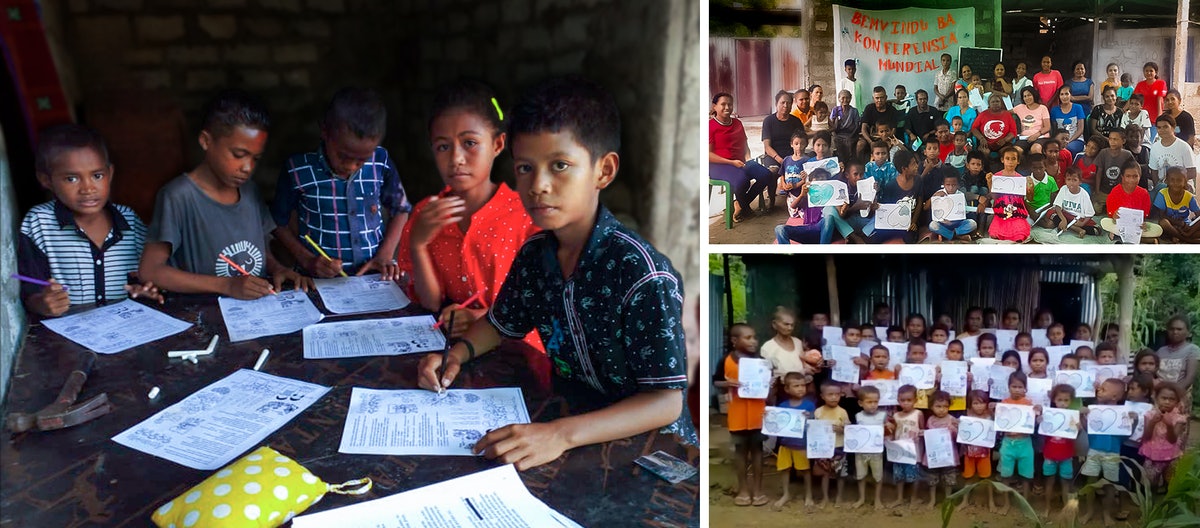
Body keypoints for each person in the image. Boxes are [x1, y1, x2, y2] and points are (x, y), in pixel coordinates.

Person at [416, 77, 693, 470]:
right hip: (568, 425)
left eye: (559, 166)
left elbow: (666, 401)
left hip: (650, 453)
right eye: (526, 168)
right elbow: (499, 323)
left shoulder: (642, 274)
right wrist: (455, 355)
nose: (538, 186)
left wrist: (560, 434)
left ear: (603, 170)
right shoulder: (535, 256)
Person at [395, 80, 540, 348]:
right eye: (443, 147)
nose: (456, 159)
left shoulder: (526, 217)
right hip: (451, 349)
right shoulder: (427, 214)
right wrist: (418, 243)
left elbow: (539, 302)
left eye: (469, 143)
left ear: (497, 144)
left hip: (516, 352)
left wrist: (479, 317)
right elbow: (431, 302)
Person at [139, 90, 310, 299]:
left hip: (256, 311)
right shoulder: (178, 197)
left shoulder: (249, 190)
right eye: (238, 155)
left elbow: (254, 245)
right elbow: (151, 270)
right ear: (206, 141)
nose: (247, 167)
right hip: (205, 315)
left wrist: (277, 268)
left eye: (255, 158)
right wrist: (228, 285)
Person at [18, 124, 161, 317]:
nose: (88, 188)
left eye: (97, 176)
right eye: (71, 179)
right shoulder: (39, 223)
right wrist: (42, 303)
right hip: (67, 338)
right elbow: (30, 290)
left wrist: (144, 291)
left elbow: (144, 276)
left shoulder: (129, 220)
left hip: (126, 328)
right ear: (46, 180)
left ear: (109, 174)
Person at [273, 87, 411, 280]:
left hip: (373, 277)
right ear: (325, 132)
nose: (351, 166)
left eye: (361, 160)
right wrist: (307, 260)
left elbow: (401, 210)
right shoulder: (298, 170)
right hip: (319, 280)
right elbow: (276, 223)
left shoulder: (380, 160)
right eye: (343, 156)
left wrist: (384, 255)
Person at [716, 324, 767, 506]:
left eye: (754, 337)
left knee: (758, 451)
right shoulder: (726, 360)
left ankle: (758, 489)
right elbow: (716, 381)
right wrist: (728, 383)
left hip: (757, 413)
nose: (753, 341)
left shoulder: (761, 361)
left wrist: (771, 382)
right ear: (734, 341)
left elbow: (768, 387)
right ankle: (743, 489)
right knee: (740, 451)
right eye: (748, 337)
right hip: (737, 414)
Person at [709, 92, 771, 222]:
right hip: (718, 166)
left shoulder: (737, 123)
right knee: (742, 181)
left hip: (740, 162)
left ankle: (740, 204)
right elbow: (707, 155)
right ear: (714, 106)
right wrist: (731, 162)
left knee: (766, 175)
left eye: (730, 104)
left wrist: (748, 158)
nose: (727, 107)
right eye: (723, 104)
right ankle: (746, 209)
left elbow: (744, 144)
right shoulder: (710, 126)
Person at [1079, 379, 1130, 525]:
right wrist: (1083, 416)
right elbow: (1087, 429)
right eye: (1099, 388)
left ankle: (1107, 514)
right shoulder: (1093, 410)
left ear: (1114, 397)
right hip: (1093, 451)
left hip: (1113, 453)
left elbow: (1126, 436)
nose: (1099, 391)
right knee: (1090, 482)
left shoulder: (1123, 413)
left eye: (1103, 389)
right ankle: (1089, 512)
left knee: (1110, 485)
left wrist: (1135, 421)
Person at [771, 371, 818, 510]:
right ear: (787, 389)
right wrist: (769, 415)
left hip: (801, 444)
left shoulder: (809, 405)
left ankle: (808, 495)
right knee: (784, 469)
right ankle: (786, 494)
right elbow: (776, 422)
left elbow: (814, 423)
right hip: (785, 443)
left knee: (805, 470)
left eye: (803, 385)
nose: (800, 388)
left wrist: (809, 417)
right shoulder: (782, 405)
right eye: (796, 386)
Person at [997, 371, 1035, 515]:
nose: (1017, 390)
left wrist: (1037, 411)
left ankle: (1025, 504)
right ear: (1008, 387)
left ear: (1025, 388)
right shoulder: (1004, 403)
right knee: (1005, 475)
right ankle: (1006, 503)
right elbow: (1000, 421)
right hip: (1008, 443)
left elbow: (1033, 421)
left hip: (1024, 442)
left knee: (1026, 476)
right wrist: (995, 408)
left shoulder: (1029, 404)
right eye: (1014, 386)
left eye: (1020, 387)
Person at [1155, 315, 1197, 445]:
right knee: (1158, 429)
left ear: (1187, 331)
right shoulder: (1161, 351)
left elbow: (1190, 377)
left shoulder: (1192, 350)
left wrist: (1174, 395)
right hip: (1160, 398)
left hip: (1180, 397)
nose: (1175, 332)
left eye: (1179, 329)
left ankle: (1174, 463)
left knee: (1177, 433)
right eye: (1172, 329)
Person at [1040, 384, 1080, 515]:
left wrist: (1078, 429)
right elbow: (1042, 432)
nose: (1063, 403)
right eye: (1060, 400)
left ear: (1071, 401)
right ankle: (1046, 507)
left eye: (1066, 400)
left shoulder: (1073, 417)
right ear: (1054, 400)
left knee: (1065, 483)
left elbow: (1076, 435)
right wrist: (1039, 421)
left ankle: (1065, 508)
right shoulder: (1048, 415)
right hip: (1050, 455)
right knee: (1049, 481)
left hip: (1066, 455)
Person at [1139, 383, 1188, 490]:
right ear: (1156, 398)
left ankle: (1166, 500)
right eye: (1164, 398)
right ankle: (1150, 502)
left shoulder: (1179, 419)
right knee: (1150, 483)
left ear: (1177, 402)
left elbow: (1173, 440)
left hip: (1171, 456)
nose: (1167, 402)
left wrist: (1169, 425)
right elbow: (1146, 437)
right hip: (1152, 455)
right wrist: (1152, 423)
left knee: (1170, 482)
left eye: (1172, 399)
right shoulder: (1150, 415)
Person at [1102, 160, 1163, 242]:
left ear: (1140, 177)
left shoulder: (1144, 193)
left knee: (1157, 229)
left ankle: (1122, 237)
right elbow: (1111, 214)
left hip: (1136, 227)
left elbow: (1144, 216)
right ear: (1122, 177)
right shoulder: (1115, 191)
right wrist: (1114, 216)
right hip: (1119, 224)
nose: (1131, 180)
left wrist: (1143, 224)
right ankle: (1145, 240)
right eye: (1128, 176)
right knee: (1105, 222)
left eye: (1135, 176)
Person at [867, 149, 920, 243]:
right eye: (913, 164)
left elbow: (920, 201)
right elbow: (885, 208)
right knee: (875, 238)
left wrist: (914, 222)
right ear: (904, 169)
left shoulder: (918, 180)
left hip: (909, 224)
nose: (917, 166)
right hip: (894, 224)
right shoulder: (891, 186)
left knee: (910, 240)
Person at [762, 90, 807, 201]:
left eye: (788, 103)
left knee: (808, 165)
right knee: (772, 172)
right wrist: (781, 160)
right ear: (776, 104)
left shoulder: (795, 121)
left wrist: (794, 158)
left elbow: (802, 140)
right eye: (782, 103)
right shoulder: (768, 121)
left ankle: (802, 196)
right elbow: (767, 146)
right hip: (773, 155)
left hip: (793, 154)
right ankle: (772, 200)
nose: (785, 106)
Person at [887, 384, 925, 508]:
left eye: (909, 400)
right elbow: (893, 432)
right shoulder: (896, 416)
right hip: (899, 450)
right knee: (899, 475)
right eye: (902, 400)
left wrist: (921, 433)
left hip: (913, 451)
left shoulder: (918, 414)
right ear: (898, 400)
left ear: (915, 400)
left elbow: (922, 429)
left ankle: (914, 498)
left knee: (913, 475)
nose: (906, 403)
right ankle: (899, 498)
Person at [813, 383, 850, 507]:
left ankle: (839, 498)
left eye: (837, 394)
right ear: (822, 396)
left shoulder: (842, 412)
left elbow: (849, 428)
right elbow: (814, 429)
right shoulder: (818, 412)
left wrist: (843, 429)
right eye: (830, 394)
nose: (834, 397)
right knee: (825, 474)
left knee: (840, 474)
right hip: (823, 448)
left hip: (839, 447)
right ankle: (825, 498)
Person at [987, 147, 1032, 242]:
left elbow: (1029, 198)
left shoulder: (1020, 179)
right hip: (1001, 213)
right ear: (1002, 160)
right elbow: (995, 197)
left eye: (1013, 159)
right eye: (1007, 158)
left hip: (1017, 213)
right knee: (995, 235)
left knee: (1019, 235)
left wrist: (1030, 189)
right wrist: (990, 182)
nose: (1010, 162)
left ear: (1018, 161)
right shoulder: (997, 177)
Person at [852, 385, 886, 510]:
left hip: (876, 452)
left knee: (878, 476)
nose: (873, 405)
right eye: (869, 402)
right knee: (861, 475)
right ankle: (862, 498)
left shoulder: (882, 416)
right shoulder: (858, 416)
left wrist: (888, 427)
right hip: (861, 451)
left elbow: (887, 432)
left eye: (875, 402)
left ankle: (877, 499)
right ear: (861, 403)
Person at [961, 390, 996, 512]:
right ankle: (964, 500)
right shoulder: (966, 418)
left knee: (986, 478)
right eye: (975, 403)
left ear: (986, 404)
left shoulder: (989, 417)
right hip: (969, 453)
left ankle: (991, 502)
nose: (979, 406)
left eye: (982, 403)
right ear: (970, 405)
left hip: (984, 453)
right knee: (968, 477)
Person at [760, 306, 814, 378]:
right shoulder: (767, 347)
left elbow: (804, 364)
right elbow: (766, 375)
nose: (790, 328)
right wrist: (802, 372)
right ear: (774, 324)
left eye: (792, 325)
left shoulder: (798, 342)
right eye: (786, 324)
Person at [1148, 115, 1198, 189]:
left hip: (1182, 186)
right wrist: (1158, 187)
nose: (1162, 130)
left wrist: (1175, 182)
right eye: (1159, 127)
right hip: (1163, 187)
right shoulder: (1155, 147)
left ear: (1173, 127)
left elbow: (1192, 172)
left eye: (1165, 127)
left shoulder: (1184, 147)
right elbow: (1154, 171)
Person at [928, 166, 976, 242]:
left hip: (958, 224)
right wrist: (934, 196)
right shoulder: (939, 194)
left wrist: (956, 219)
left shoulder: (960, 195)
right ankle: (957, 235)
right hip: (943, 224)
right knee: (933, 225)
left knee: (972, 224)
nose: (951, 188)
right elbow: (931, 209)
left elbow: (964, 213)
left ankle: (948, 234)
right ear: (943, 184)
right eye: (948, 185)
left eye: (953, 185)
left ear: (958, 185)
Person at [1152, 167, 1200, 243]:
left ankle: (1182, 236)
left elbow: (1198, 215)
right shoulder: (1162, 194)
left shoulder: (1189, 197)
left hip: (1186, 226)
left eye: (1179, 180)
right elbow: (1162, 216)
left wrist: (1190, 229)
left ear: (1185, 182)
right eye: (1172, 180)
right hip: (1170, 225)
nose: (1175, 183)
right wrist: (1179, 223)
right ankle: (1187, 239)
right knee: (1163, 222)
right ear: (1166, 181)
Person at [1093, 130, 1136, 213]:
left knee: (1122, 212)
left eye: (1115, 139)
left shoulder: (1127, 155)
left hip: (1120, 191)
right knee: (1096, 210)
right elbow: (1099, 173)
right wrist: (1097, 190)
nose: (1112, 142)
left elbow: (1132, 171)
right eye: (1110, 139)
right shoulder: (1103, 153)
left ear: (1123, 141)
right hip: (1104, 190)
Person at [1050, 166, 1099, 238]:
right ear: (1065, 180)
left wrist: (1082, 224)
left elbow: (1089, 214)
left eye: (1074, 180)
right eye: (1068, 179)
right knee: (1051, 213)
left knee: (1096, 230)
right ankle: (1077, 229)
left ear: (1080, 181)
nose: (1071, 183)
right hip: (1065, 215)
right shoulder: (1064, 189)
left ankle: (1073, 227)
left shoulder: (1084, 194)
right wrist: (1063, 220)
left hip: (1078, 220)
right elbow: (1057, 207)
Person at [859, 86, 900, 160]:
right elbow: (863, 128)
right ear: (873, 98)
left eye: (882, 97)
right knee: (860, 144)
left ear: (886, 97)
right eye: (877, 98)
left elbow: (894, 129)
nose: (879, 100)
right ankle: (860, 166)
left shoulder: (892, 110)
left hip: (887, 137)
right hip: (871, 137)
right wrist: (870, 142)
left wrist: (885, 138)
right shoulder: (869, 108)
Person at [972, 93, 1018, 157]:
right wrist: (981, 138)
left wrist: (1005, 140)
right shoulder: (983, 114)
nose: (995, 103)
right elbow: (974, 128)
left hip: (1004, 144)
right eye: (993, 102)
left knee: (1007, 154)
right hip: (986, 143)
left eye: (997, 101)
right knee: (984, 153)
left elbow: (1013, 131)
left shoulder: (1007, 115)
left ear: (1001, 103)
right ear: (989, 104)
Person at [1133, 62, 1168, 139]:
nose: (1148, 73)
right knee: (1140, 140)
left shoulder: (1161, 83)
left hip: (1154, 119)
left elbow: (1160, 100)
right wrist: (1124, 110)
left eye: (1151, 71)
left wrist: (1159, 118)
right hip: (1141, 118)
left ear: (1155, 72)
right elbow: (1133, 99)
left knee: (1150, 141)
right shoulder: (1140, 84)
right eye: (1146, 71)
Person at [1050, 85, 1087, 156]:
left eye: (1066, 94)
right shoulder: (1054, 110)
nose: (1064, 97)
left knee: (1068, 148)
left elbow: (1080, 129)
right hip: (1060, 140)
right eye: (1062, 94)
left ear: (1071, 95)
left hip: (1076, 139)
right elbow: (1054, 129)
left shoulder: (1078, 107)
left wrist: (1069, 141)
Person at [1013, 86, 1050, 153]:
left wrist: (1036, 135)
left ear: (1034, 95)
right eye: (1025, 96)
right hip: (1024, 138)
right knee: (1016, 150)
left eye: (1029, 95)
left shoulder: (1042, 108)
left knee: (1035, 149)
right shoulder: (1019, 108)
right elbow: (1005, 113)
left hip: (1040, 137)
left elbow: (1047, 127)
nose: (1027, 98)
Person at [1026, 153, 1058, 227]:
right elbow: (1024, 200)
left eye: (1041, 168)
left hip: (1046, 209)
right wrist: (1031, 211)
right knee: (1026, 222)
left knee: (1051, 224)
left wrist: (1046, 210)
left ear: (1045, 167)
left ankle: (1039, 221)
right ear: (1030, 168)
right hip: (1032, 209)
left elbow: (1053, 198)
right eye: (1035, 168)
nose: (1038, 171)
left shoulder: (1051, 180)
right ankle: (1037, 220)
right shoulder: (1027, 181)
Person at [830, 89, 861, 161]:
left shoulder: (854, 111)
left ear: (850, 98)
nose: (845, 100)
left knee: (848, 142)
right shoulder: (836, 110)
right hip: (838, 134)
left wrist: (851, 136)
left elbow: (856, 126)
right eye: (843, 98)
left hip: (850, 134)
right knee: (835, 142)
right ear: (839, 98)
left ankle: (849, 162)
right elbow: (831, 124)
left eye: (847, 98)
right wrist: (834, 135)